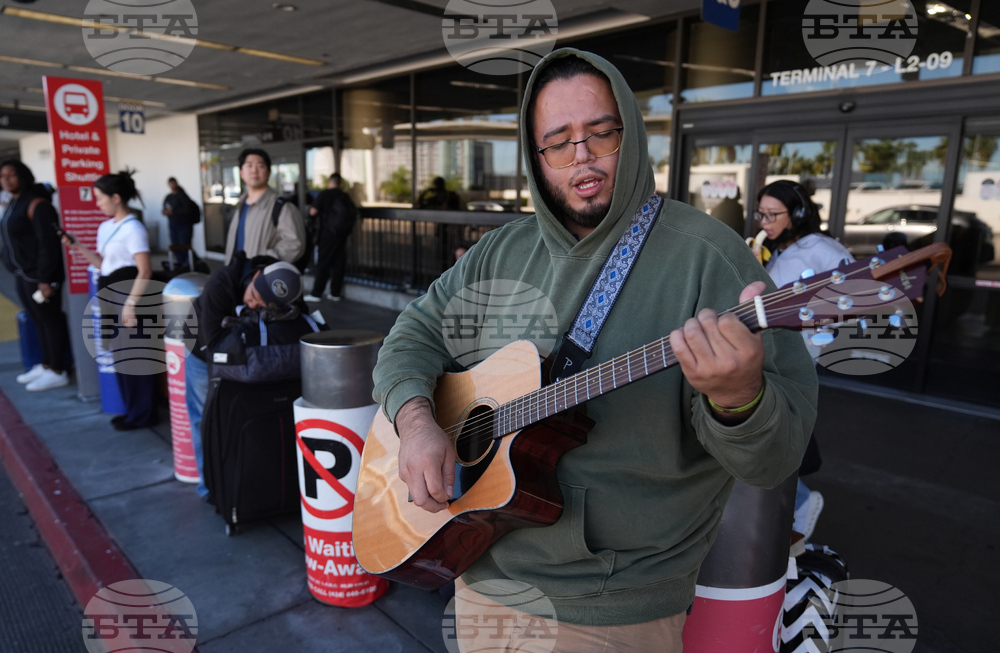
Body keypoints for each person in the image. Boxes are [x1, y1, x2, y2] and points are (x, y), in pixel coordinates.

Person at [371, 49, 817, 651]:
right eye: (558, 142)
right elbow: (412, 335)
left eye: (600, 134)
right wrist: (418, 419)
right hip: (477, 568)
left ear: (628, 135)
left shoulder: (708, 257)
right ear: (536, 159)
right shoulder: (499, 252)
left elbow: (772, 459)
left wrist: (739, 399)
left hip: (611, 607)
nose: (581, 156)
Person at [756, 179, 855, 541]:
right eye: (761, 213)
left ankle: (799, 502)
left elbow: (854, 295)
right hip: (773, 351)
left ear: (797, 214)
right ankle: (787, 505)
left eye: (772, 214)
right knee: (767, 433)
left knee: (771, 432)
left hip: (794, 356)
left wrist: (817, 328)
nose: (764, 221)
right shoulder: (782, 247)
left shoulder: (821, 249)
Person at [185, 255, 304, 499]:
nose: (252, 305)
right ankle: (209, 487)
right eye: (253, 295)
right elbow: (213, 345)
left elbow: (297, 321)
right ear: (256, 277)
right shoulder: (223, 281)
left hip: (245, 353)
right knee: (205, 417)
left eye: (262, 305)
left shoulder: (282, 285)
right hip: (202, 348)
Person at [64, 170, 157, 430]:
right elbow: (104, 265)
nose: (97, 203)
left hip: (129, 295)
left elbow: (145, 270)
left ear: (116, 197)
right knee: (121, 355)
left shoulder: (134, 228)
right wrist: (78, 246)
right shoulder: (106, 227)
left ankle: (143, 414)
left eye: (100, 197)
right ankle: (133, 411)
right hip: (111, 294)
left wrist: (131, 304)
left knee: (136, 356)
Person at [0, 160, 71, 391]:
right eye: (2, 176)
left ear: (22, 176)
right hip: (23, 274)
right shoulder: (14, 202)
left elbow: (48, 246)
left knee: (51, 321)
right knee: (38, 320)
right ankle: (46, 364)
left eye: (11, 175)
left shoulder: (37, 204)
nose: (6, 180)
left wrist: (45, 278)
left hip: (39, 276)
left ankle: (59, 370)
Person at [224, 148, 306, 273]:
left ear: (268, 172)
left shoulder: (283, 207)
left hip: (262, 282)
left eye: (260, 166)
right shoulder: (240, 205)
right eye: (249, 165)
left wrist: (264, 263)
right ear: (241, 173)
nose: (254, 170)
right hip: (235, 278)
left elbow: (295, 245)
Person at [305, 173, 357, 302]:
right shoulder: (345, 196)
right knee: (339, 263)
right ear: (340, 183)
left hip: (326, 234)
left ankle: (317, 293)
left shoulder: (324, 194)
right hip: (341, 235)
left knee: (323, 263)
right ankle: (335, 293)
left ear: (330, 181)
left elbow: (313, 211)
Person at [162, 177, 200, 266]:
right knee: (175, 245)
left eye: (173, 183)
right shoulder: (169, 197)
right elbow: (164, 208)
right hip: (173, 224)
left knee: (184, 245)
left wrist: (173, 211)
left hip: (184, 224)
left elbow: (188, 209)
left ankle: (192, 264)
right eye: (170, 184)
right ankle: (181, 264)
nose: (172, 186)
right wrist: (165, 212)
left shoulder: (183, 196)